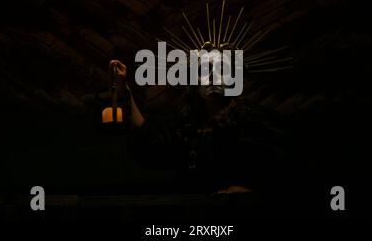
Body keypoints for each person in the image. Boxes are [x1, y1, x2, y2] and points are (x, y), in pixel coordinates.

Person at [109, 59, 285, 194]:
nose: (212, 77)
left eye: (221, 70)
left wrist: (252, 191)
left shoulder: (252, 120)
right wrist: (125, 90)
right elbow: (151, 141)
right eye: (204, 71)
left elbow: (281, 170)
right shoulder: (187, 123)